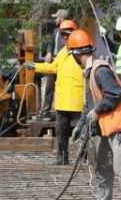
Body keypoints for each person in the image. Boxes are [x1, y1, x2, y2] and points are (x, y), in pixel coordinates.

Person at [67, 30, 121, 200]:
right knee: (102, 167)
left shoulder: (100, 70)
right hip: (104, 128)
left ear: (77, 54)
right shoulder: (89, 72)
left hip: (118, 126)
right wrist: (81, 126)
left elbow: (116, 94)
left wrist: (97, 110)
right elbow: (89, 104)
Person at [29, 19, 84, 165]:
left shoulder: (82, 51)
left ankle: (86, 158)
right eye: (63, 35)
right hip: (63, 101)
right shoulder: (62, 53)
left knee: (83, 132)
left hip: (78, 100)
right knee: (61, 132)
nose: (65, 37)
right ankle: (62, 158)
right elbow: (53, 68)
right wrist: (34, 66)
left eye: (68, 34)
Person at [38, 8, 70, 118]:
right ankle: (45, 112)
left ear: (61, 18)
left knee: (64, 89)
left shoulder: (70, 31)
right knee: (49, 88)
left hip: (64, 65)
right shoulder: (56, 31)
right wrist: (48, 52)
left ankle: (65, 113)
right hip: (54, 62)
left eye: (56, 17)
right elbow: (51, 43)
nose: (55, 19)